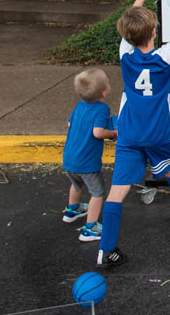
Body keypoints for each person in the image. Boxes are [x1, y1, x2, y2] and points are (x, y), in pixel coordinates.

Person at [96, 0, 170, 269]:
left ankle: (106, 249)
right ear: (153, 32)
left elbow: (127, 33)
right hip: (157, 133)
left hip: (128, 132)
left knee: (118, 190)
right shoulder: (166, 57)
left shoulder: (125, 55)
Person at [61, 67, 117, 242]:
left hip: (70, 158)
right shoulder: (101, 109)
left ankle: (73, 209)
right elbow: (98, 132)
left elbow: (69, 123)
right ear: (104, 92)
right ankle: (91, 228)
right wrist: (113, 134)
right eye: (107, 82)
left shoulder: (80, 105)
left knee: (76, 184)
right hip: (87, 163)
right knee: (98, 192)